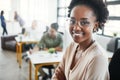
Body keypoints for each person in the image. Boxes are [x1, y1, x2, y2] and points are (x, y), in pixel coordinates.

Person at [52, 0, 109, 80]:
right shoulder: (72, 46)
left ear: (95, 25)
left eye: (84, 22)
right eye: (72, 21)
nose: (76, 28)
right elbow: (58, 74)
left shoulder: (97, 59)